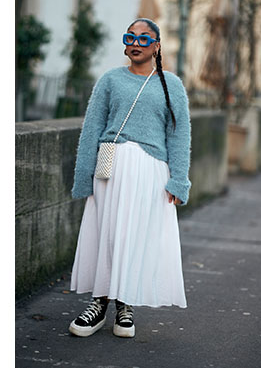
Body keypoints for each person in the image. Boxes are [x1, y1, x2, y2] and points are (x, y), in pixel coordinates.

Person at [68, 18, 192, 339]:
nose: (136, 43)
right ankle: (98, 304)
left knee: (137, 237)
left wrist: (179, 181)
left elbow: (179, 135)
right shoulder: (110, 81)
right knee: (106, 236)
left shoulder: (171, 84)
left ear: (157, 45)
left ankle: (126, 304)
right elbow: (91, 130)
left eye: (144, 38)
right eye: (130, 37)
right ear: (125, 43)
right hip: (111, 171)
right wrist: (84, 176)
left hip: (151, 173)